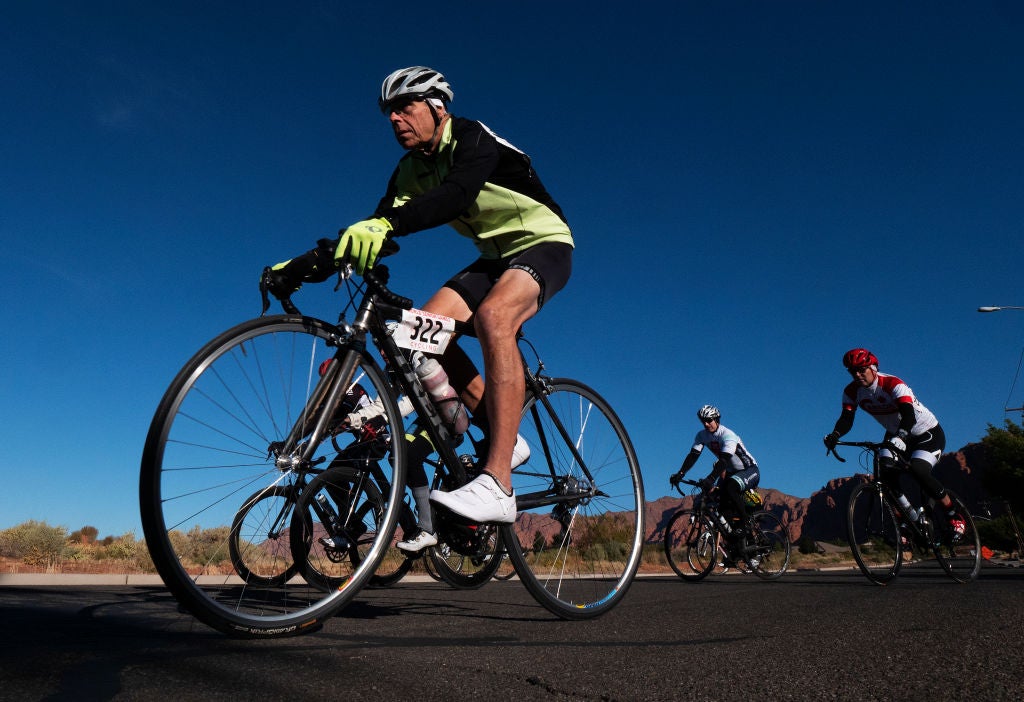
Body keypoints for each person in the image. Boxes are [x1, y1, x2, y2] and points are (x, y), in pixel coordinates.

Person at [268, 66, 573, 528]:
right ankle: (500, 434)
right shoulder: (409, 171)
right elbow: (375, 231)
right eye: (389, 112)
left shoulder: (472, 138)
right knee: (418, 335)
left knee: (495, 317)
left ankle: (499, 483)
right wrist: (301, 266)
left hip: (544, 243)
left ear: (437, 107)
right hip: (493, 260)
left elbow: (456, 194)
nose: (394, 118)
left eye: (405, 107)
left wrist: (387, 224)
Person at [822, 348, 965, 536]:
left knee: (918, 469)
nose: (857, 374)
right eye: (852, 371)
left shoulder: (892, 384)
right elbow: (847, 418)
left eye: (861, 369)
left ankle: (953, 514)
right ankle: (907, 519)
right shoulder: (851, 392)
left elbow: (908, 415)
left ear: (873, 368)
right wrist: (835, 435)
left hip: (926, 433)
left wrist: (902, 436)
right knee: (885, 474)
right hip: (895, 433)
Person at [669, 405, 761, 539]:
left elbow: (723, 461)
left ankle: (745, 524)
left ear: (717, 420)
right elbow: (693, 455)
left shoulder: (728, 435)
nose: (706, 424)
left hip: (749, 469)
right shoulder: (702, 435)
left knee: (730, 487)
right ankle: (736, 550)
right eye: (703, 421)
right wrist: (681, 473)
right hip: (731, 473)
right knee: (722, 507)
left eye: (709, 420)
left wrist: (711, 478)